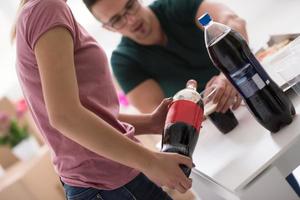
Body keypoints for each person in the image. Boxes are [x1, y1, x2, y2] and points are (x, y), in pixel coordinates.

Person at [83, 0, 300, 197]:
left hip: (257, 98)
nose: (130, 20)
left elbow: (233, 22)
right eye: (117, 20)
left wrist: (228, 74)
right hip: (212, 135)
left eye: (129, 6)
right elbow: (164, 114)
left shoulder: (176, 6)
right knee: (254, 184)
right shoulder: (124, 61)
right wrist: (209, 99)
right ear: (107, 28)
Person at [13, 0, 195, 199]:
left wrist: (149, 123)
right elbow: (64, 117)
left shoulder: (40, 11)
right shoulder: (47, 8)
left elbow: (82, 116)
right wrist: (150, 161)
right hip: (109, 183)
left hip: (107, 181)